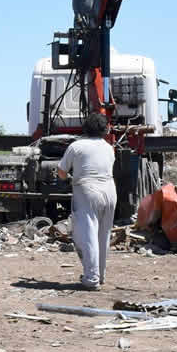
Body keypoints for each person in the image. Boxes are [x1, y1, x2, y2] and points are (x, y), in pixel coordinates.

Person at [57, 113, 117, 290]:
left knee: (88, 234)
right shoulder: (108, 147)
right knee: (103, 234)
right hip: (110, 190)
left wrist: (68, 179)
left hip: (88, 191)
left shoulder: (76, 146)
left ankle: (91, 279)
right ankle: (100, 275)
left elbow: (61, 171)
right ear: (105, 129)